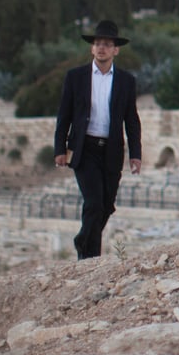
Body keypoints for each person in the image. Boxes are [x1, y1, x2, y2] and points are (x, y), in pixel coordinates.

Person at [53, 20, 142, 260]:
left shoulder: (126, 81)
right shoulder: (76, 77)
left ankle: (84, 240)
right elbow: (65, 114)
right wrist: (59, 148)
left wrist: (136, 154)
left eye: (107, 44)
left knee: (106, 206)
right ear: (92, 49)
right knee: (93, 203)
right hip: (85, 149)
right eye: (97, 43)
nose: (101, 48)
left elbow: (131, 120)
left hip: (111, 151)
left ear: (116, 50)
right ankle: (89, 256)